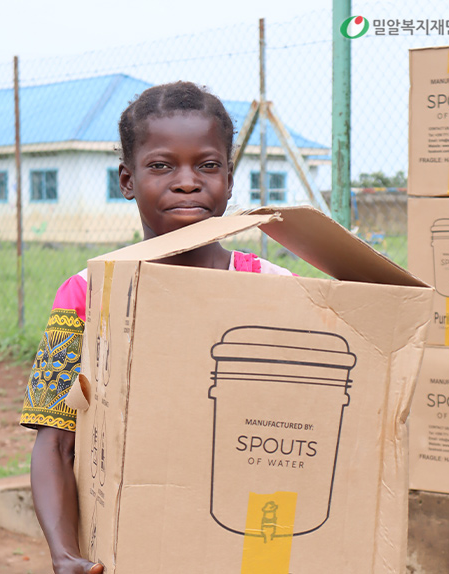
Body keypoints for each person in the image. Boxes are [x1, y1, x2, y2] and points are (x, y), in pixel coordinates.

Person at [20, 81, 293, 574]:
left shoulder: (275, 291)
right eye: (162, 165)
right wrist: (64, 553)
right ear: (127, 180)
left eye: (207, 165)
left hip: (244, 536)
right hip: (130, 543)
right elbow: (55, 440)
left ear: (230, 180)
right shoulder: (87, 295)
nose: (187, 182)